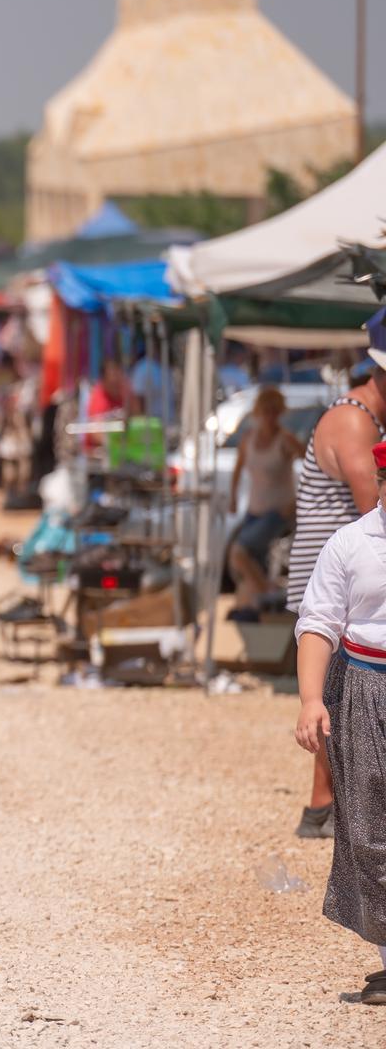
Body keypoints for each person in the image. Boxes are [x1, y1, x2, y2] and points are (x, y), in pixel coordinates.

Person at [293, 439, 386, 1005]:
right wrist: (310, 699)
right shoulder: (350, 544)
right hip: (365, 687)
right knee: (369, 827)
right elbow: (319, 621)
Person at [286, 346, 386, 840]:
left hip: (356, 576)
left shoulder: (360, 415)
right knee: (337, 697)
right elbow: (370, 499)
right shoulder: (354, 420)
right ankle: (324, 806)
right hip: (342, 575)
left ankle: (324, 807)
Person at [227, 388, 301, 623]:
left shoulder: (285, 439)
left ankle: (269, 594)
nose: (269, 416)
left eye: (273, 411)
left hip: (278, 512)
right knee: (249, 566)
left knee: (238, 554)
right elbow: (238, 468)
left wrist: (296, 502)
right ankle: (259, 610)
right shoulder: (248, 438)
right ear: (258, 412)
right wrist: (233, 497)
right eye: (265, 411)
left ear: (279, 413)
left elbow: (312, 464)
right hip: (254, 509)